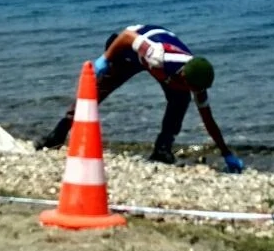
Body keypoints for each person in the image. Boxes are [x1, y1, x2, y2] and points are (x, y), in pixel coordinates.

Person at [37, 24, 244, 172]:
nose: (193, 91)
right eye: (189, 87)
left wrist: (226, 153)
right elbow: (127, 36)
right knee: (96, 91)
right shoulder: (158, 55)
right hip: (128, 49)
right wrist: (104, 60)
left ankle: (162, 150)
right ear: (182, 76)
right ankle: (57, 135)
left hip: (156, 63)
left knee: (180, 100)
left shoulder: (195, 84)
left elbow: (208, 120)